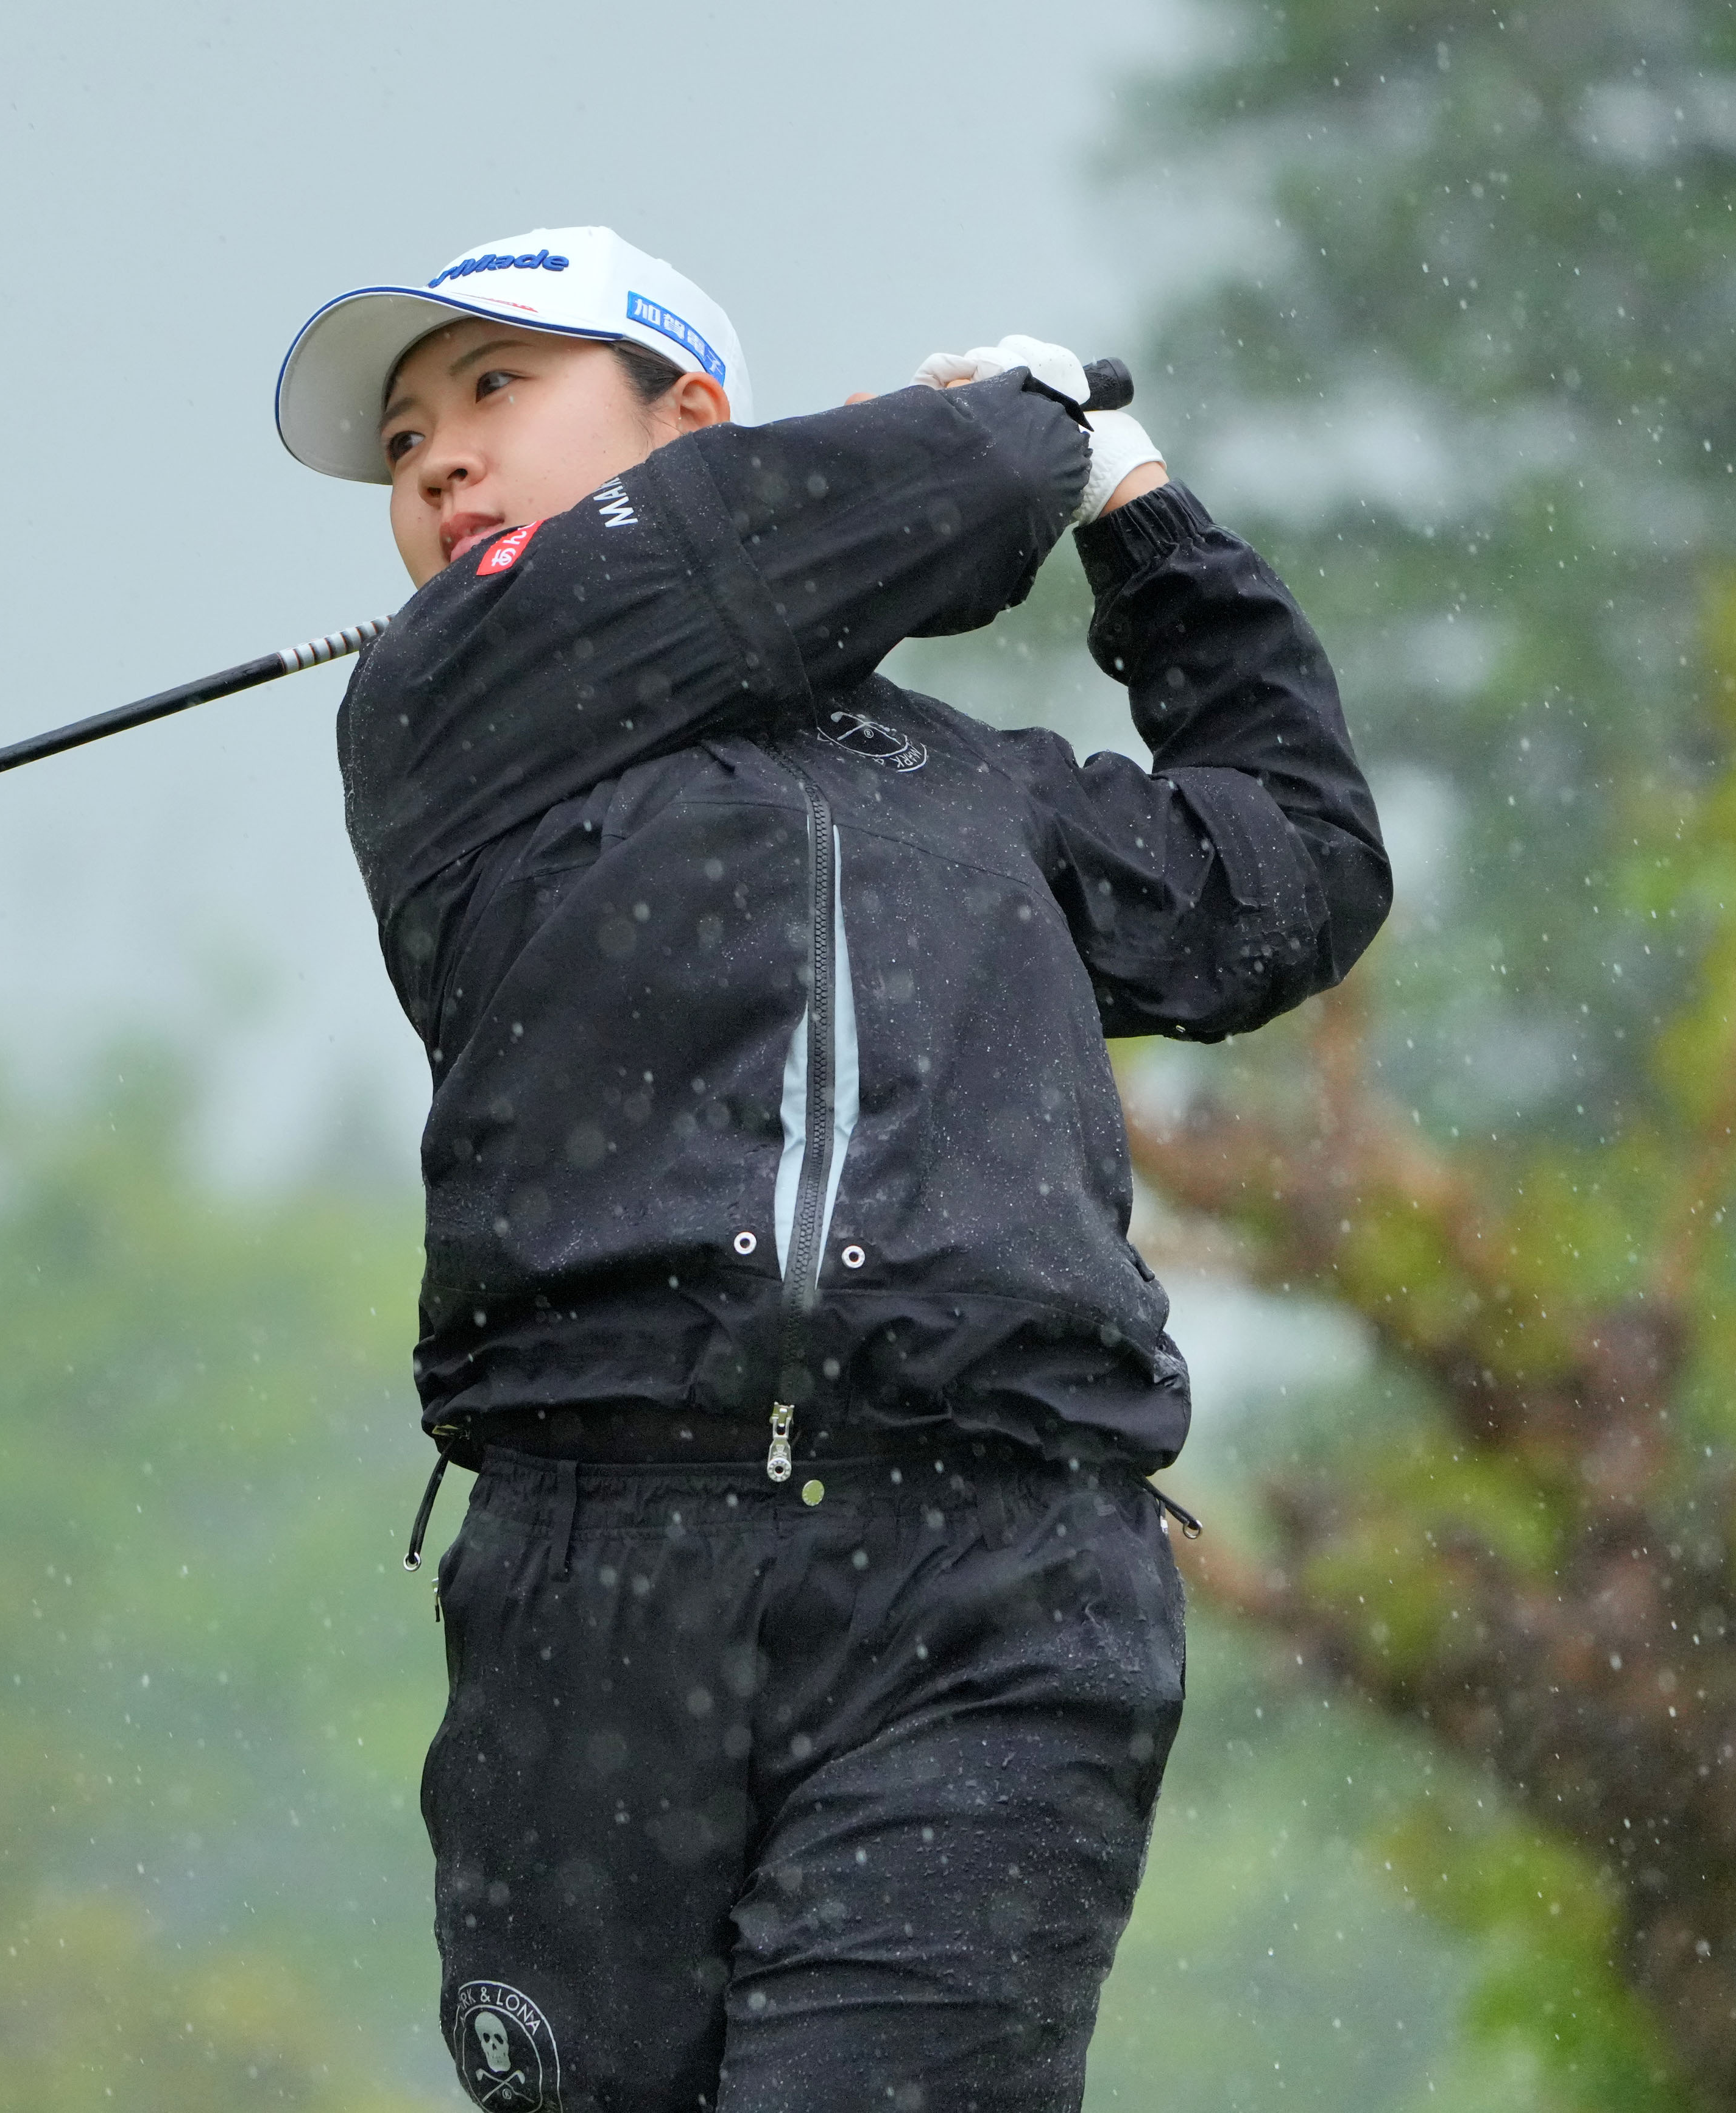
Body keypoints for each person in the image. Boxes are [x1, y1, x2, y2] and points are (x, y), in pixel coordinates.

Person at [271, 228, 1390, 2110]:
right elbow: (943, 487)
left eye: (492, 391)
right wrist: (1029, 422)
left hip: (996, 1585)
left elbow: (1286, 870)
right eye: (401, 443)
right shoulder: (448, 708)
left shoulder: (975, 790)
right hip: (595, 1585)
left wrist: (1146, 522)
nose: (437, 463)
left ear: (690, 423)